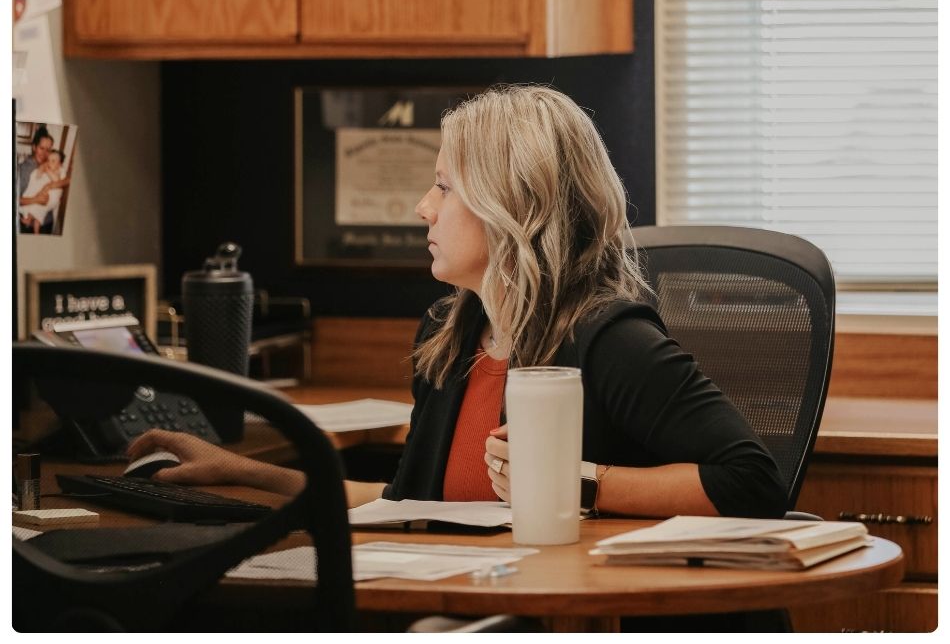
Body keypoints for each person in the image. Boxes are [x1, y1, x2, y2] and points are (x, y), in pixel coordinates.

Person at [129, 84, 786, 520]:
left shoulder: (608, 340)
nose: (423, 207)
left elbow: (753, 482)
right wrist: (243, 475)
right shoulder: (448, 338)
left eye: (444, 186)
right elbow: (406, 504)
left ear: (513, 207)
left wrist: (579, 481)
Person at [19, 149, 69, 234]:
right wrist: (43, 168)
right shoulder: (28, 168)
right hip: (42, 199)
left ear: (60, 164)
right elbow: (38, 175)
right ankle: (32, 225)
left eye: (53, 161)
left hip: (51, 197)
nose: (50, 163)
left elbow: (56, 180)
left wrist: (48, 171)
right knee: (38, 215)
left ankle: (31, 223)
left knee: (38, 213)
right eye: (48, 160)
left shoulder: (60, 171)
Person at [18, 125, 56, 234]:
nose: (45, 154)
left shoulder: (51, 165)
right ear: (34, 147)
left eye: (48, 150)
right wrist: (36, 199)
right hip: (29, 225)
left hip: (47, 221)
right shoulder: (24, 169)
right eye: (41, 148)